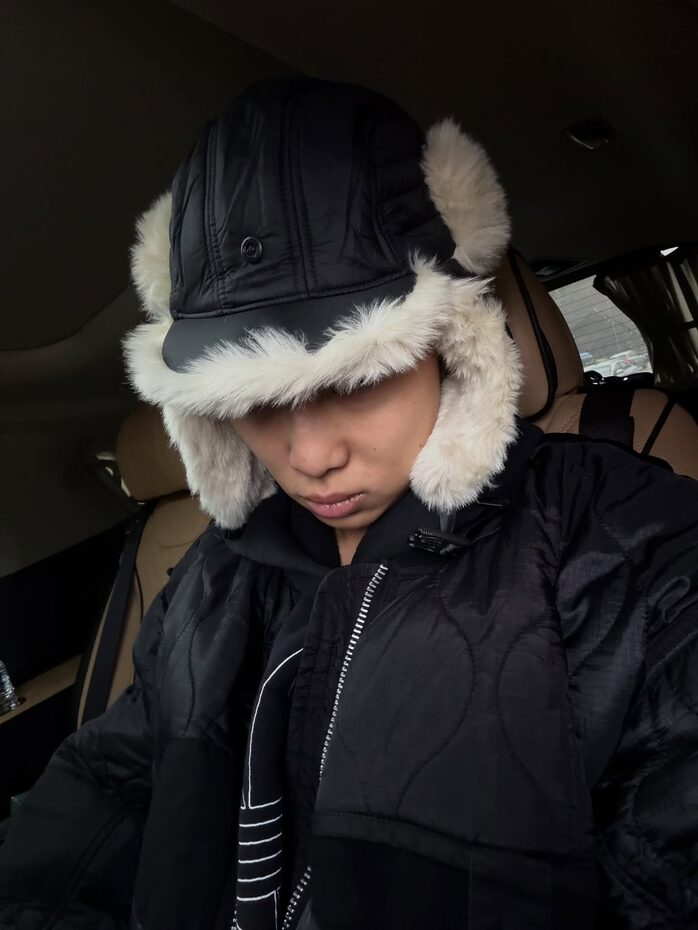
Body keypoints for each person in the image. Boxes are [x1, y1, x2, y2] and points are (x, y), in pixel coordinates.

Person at [0, 77, 697, 930]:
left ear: (450, 340)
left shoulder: (628, 541)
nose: (311, 457)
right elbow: (104, 793)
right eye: (255, 398)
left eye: (359, 378)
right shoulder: (215, 577)